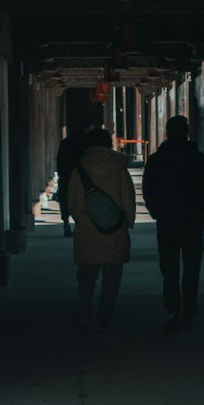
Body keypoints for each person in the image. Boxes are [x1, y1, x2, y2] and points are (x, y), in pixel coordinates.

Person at [142, 114, 204, 330]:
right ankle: (190, 302)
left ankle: (173, 305)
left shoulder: (157, 160)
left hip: (167, 220)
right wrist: (199, 210)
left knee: (169, 265)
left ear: (166, 133)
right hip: (191, 219)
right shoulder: (197, 158)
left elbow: (148, 190)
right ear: (187, 133)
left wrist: (157, 211)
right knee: (192, 264)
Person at [67, 128, 136, 329]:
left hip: (88, 230)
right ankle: (105, 318)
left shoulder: (80, 167)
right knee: (111, 280)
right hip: (115, 230)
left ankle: (85, 311)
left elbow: (72, 200)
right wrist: (128, 222)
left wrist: (83, 219)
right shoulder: (119, 167)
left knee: (87, 277)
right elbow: (128, 199)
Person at [55, 126, 87, 237]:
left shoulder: (65, 143)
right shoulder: (83, 144)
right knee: (80, 199)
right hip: (79, 176)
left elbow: (59, 159)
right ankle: (80, 224)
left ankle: (66, 223)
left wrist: (60, 174)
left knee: (64, 199)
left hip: (65, 175)